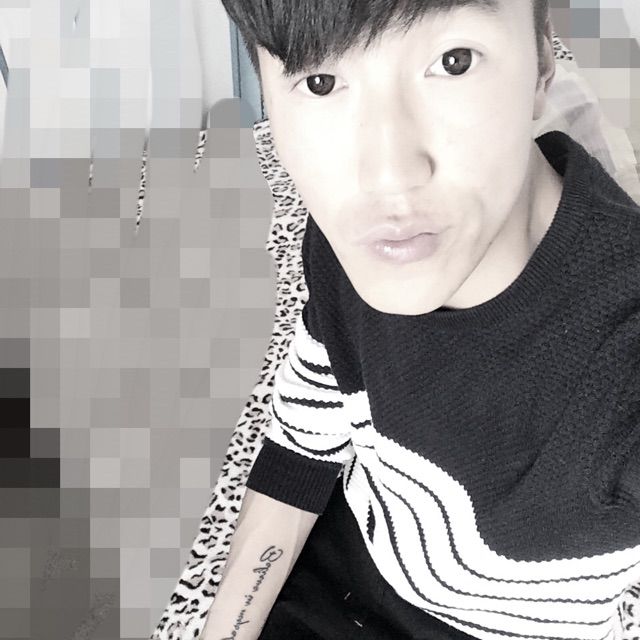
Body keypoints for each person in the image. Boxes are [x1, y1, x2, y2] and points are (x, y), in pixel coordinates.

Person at [201, 1, 640, 638]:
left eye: (454, 62)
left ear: (542, 62)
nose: (388, 177)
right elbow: (303, 442)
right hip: (346, 580)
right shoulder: (351, 240)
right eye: (321, 81)